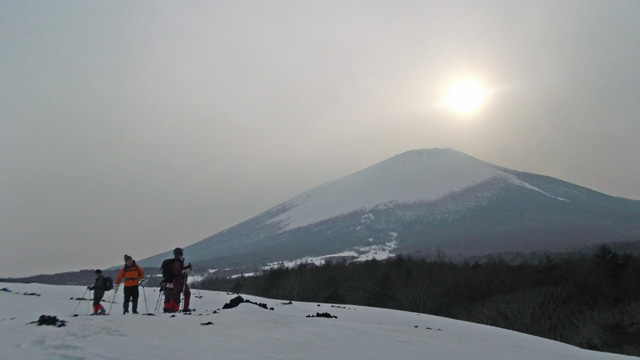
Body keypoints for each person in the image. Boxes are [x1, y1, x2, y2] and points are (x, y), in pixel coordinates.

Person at [168, 247, 192, 312]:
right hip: (178, 281)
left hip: (181, 280)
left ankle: (185, 308)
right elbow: (178, 271)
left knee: (186, 293)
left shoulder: (179, 261)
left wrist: (187, 267)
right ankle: (172, 309)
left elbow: (181, 269)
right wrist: (184, 272)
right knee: (176, 296)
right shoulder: (177, 262)